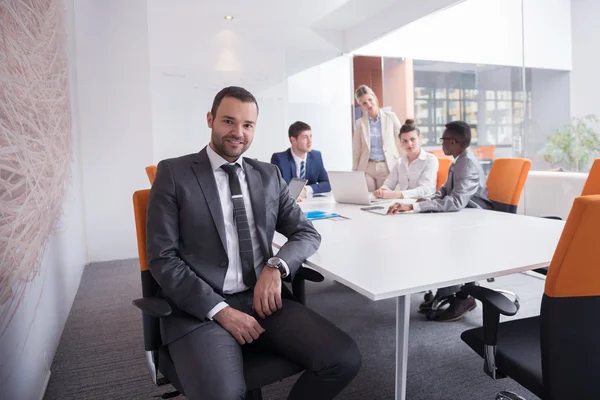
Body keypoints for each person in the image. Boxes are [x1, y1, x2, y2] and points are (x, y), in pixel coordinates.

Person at [146, 86, 361, 399]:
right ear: (210, 120)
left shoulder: (268, 175)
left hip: (263, 300)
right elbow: (163, 258)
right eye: (228, 122)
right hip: (200, 308)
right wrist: (219, 309)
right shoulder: (175, 173)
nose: (238, 133)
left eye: (247, 125)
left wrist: (275, 266)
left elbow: (306, 232)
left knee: (344, 359)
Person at [388, 120, 493, 322]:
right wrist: (425, 201)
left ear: (454, 142)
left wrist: (414, 206)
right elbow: (445, 191)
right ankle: (447, 290)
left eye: (443, 140)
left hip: (476, 215)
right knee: (427, 227)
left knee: (441, 236)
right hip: (463, 212)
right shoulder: (459, 159)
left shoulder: (467, 164)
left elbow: (454, 201)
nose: (441, 144)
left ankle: (463, 296)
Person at [352, 85, 403, 192]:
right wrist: (355, 169)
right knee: (367, 198)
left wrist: (403, 162)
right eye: (364, 103)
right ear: (361, 106)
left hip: (386, 165)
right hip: (366, 167)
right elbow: (356, 148)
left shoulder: (391, 117)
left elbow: (401, 140)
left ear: (374, 97)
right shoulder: (360, 123)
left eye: (370, 100)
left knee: (384, 198)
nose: (369, 105)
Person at [373, 119, 439, 200]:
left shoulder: (430, 160)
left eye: (412, 139)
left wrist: (395, 194)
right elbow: (389, 183)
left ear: (420, 138)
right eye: (405, 141)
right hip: (403, 204)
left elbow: (425, 190)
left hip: (422, 205)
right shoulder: (400, 162)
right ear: (400, 142)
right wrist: (382, 190)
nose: (409, 144)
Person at [270, 121, 331, 197]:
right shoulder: (279, 159)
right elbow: (276, 187)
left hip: (311, 203)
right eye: (305, 137)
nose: (310, 141)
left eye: (310, 136)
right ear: (293, 140)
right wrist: (295, 192)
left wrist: (306, 190)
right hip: (288, 205)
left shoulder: (316, 156)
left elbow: (328, 183)